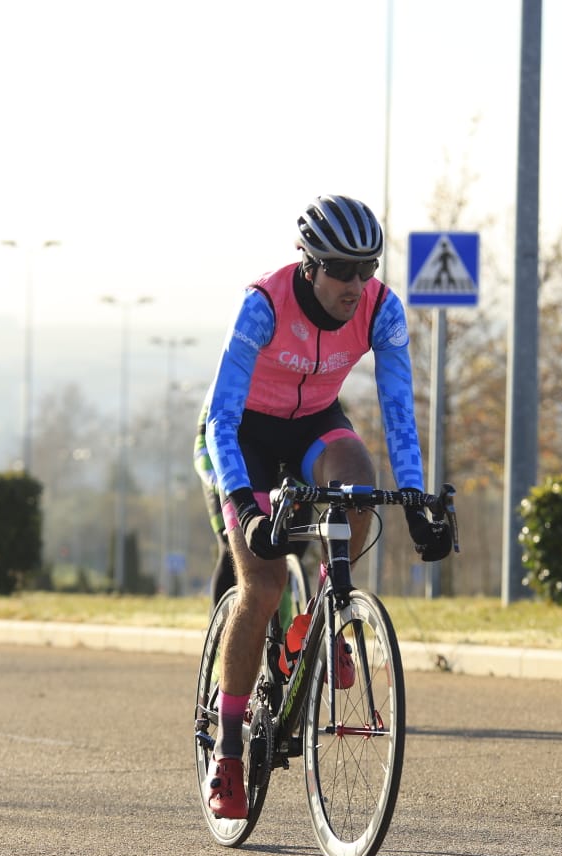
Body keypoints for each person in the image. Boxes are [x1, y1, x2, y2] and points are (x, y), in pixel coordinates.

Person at [194, 194, 452, 819]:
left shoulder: (382, 310)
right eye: (342, 269)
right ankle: (228, 751)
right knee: (262, 584)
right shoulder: (264, 305)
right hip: (240, 439)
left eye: (368, 268)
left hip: (312, 426)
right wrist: (243, 505)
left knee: (358, 474)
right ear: (308, 264)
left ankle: (328, 606)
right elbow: (223, 418)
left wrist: (417, 498)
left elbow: (398, 414)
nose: (356, 283)